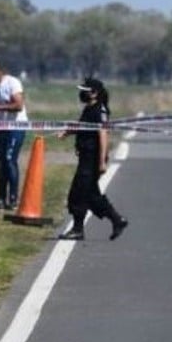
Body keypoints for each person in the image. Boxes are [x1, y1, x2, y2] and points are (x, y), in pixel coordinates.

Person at [58, 78, 128, 241]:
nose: (82, 93)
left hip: (93, 158)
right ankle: (117, 220)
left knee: (79, 193)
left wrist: (102, 161)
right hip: (85, 157)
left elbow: (103, 134)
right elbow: (85, 127)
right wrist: (69, 131)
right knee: (89, 194)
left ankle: (78, 229)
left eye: (85, 90)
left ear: (95, 92)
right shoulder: (89, 108)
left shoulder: (100, 110)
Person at [0, 57, 28, 211]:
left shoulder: (12, 83)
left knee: (10, 160)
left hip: (16, 126)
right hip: (1, 128)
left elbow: (18, 105)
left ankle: (13, 198)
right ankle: (1, 197)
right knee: (2, 163)